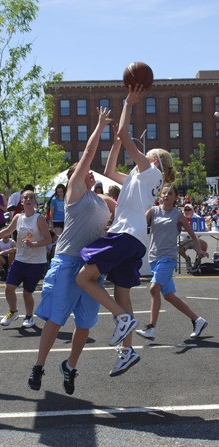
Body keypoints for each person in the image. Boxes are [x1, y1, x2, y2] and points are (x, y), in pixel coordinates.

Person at [76, 85, 176, 377]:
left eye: (148, 153)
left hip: (125, 235)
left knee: (83, 277)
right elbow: (108, 168)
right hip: (134, 240)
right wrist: (113, 134)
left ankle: (121, 319)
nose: (144, 154)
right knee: (123, 293)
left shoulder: (150, 172)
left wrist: (128, 104)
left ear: (155, 160)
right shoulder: (138, 176)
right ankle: (127, 350)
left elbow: (122, 135)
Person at [28, 107, 116, 395]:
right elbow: (89, 152)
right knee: (56, 318)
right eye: (83, 170)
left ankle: (70, 366)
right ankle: (39, 365)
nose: (89, 172)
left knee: (86, 323)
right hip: (68, 261)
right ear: (75, 177)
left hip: (91, 266)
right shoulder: (75, 193)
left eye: (89, 171)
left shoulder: (102, 201)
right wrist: (100, 125)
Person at [136, 185, 208, 342]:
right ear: (160, 196)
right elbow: (138, 225)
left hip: (168, 258)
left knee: (154, 289)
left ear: (175, 197)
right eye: (164, 193)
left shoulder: (177, 215)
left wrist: (199, 250)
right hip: (154, 258)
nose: (166, 195)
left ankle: (151, 328)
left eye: (170, 193)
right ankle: (198, 320)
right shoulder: (153, 211)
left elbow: (193, 236)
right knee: (168, 296)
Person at [0, 190, 51, 328]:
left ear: (34, 201)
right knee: (9, 288)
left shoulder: (39, 218)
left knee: (27, 292)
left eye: (31, 197)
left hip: (36, 262)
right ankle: (13, 312)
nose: (28, 199)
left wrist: (34, 244)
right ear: (22, 202)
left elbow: (48, 239)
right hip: (20, 259)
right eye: (26, 197)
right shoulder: (18, 217)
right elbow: (7, 231)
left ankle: (29, 317)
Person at [178, 204, 208, 272]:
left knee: (204, 244)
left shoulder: (197, 217)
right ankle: (187, 259)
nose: (187, 211)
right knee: (177, 248)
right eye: (185, 209)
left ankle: (198, 260)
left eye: (189, 209)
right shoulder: (180, 217)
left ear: (192, 211)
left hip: (194, 240)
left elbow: (205, 228)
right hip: (184, 240)